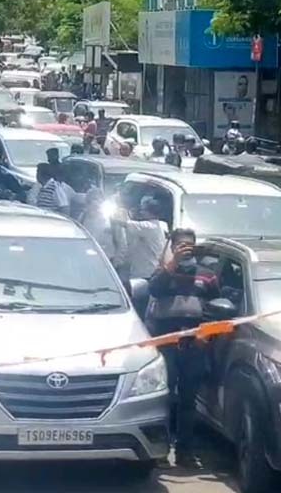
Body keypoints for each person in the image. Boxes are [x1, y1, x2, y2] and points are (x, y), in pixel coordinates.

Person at [145, 228, 217, 467]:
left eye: (190, 245)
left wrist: (205, 333)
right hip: (166, 342)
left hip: (195, 344)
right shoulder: (163, 273)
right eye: (181, 246)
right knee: (165, 398)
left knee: (188, 400)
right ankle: (161, 451)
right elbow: (154, 289)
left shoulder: (207, 275)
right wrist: (172, 263)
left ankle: (186, 452)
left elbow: (216, 306)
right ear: (173, 248)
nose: (186, 250)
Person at [112, 196, 169, 281]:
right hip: (152, 269)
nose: (141, 212)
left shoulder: (147, 227)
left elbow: (123, 222)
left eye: (143, 210)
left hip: (145, 272)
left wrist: (115, 213)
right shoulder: (161, 225)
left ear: (149, 212)